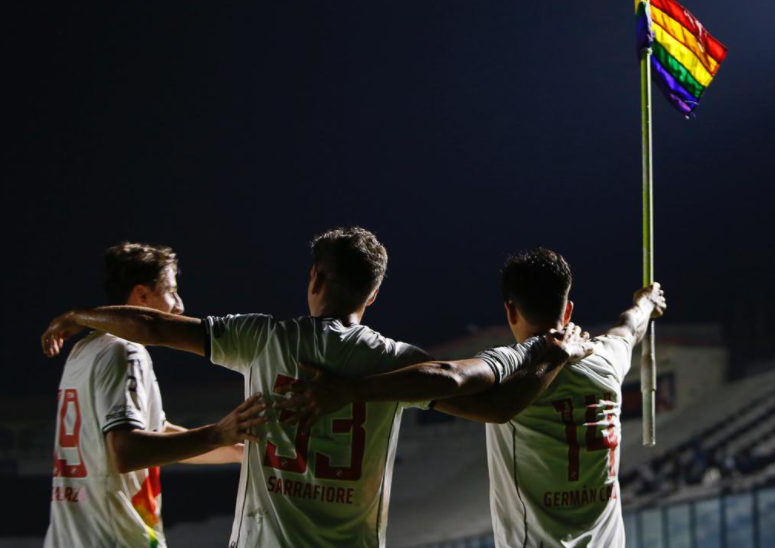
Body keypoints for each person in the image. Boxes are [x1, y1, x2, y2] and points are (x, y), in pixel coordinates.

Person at [42, 228, 588, 548]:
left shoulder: (265, 338)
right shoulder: (395, 360)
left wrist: (81, 315)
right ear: (371, 297)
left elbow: (154, 327)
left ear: (314, 280)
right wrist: (545, 356)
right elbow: (497, 408)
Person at [279, 248, 665, 548]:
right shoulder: (609, 358)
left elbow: (448, 376)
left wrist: (351, 390)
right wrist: (648, 301)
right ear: (568, 309)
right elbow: (629, 326)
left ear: (510, 310)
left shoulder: (516, 366)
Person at [42, 242, 266, 548]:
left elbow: (156, 434)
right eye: (171, 291)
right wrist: (216, 433)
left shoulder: (84, 350)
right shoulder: (126, 350)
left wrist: (236, 451)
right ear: (142, 295)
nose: (179, 305)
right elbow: (127, 451)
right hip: (114, 539)